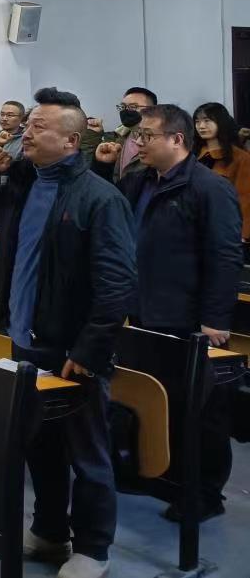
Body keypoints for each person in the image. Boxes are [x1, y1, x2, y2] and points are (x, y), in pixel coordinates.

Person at [0, 87, 135, 578]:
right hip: (26, 338)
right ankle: (51, 531)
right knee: (40, 444)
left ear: (71, 141)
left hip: (73, 348)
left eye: (38, 127)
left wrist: (90, 348)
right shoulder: (22, 182)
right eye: (27, 125)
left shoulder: (99, 198)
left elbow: (117, 284)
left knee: (87, 451)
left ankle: (94, 548)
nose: (26, 134)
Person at [103, 104, 243, 521]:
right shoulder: (139, 180)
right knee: (151, 399)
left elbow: (225, 256)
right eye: (137, 136)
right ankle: (156, 474)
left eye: (147, 136)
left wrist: (215, 318)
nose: (138, 143)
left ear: (177, 139)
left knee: (198, 408)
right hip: (142, 309)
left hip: (186, 315)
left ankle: (205, 494)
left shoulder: (209, 187)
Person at [193, 101, 250, 254]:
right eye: (197, 121)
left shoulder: (241, 158)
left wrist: (243, 234)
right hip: (192, 226)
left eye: (207, 121)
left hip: (224, 228)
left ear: (221, 122)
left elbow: (245, 198)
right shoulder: (192, 155)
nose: (201, 126)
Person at [87, 87, 157, 183]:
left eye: (133, 107)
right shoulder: (115, 138)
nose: (126, 111)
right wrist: (94, 135)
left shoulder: (159, 143)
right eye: (123, 107)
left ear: (152, 110)